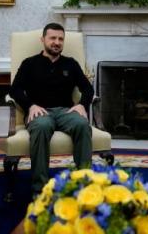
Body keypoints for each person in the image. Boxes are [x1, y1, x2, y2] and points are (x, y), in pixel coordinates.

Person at [9, 23, 94, 193]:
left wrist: (82, 105)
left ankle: (84, 185)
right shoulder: (30, 63)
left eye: (60, 39)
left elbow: (88, 88)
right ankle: (40, 189)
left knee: (83, 124)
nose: (57, 42)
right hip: (39, 111)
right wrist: (30, 106)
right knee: (42, 126)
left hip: (66, 111)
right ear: (43, 40)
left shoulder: (70, 64)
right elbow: (15, 89)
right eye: (53, 38)